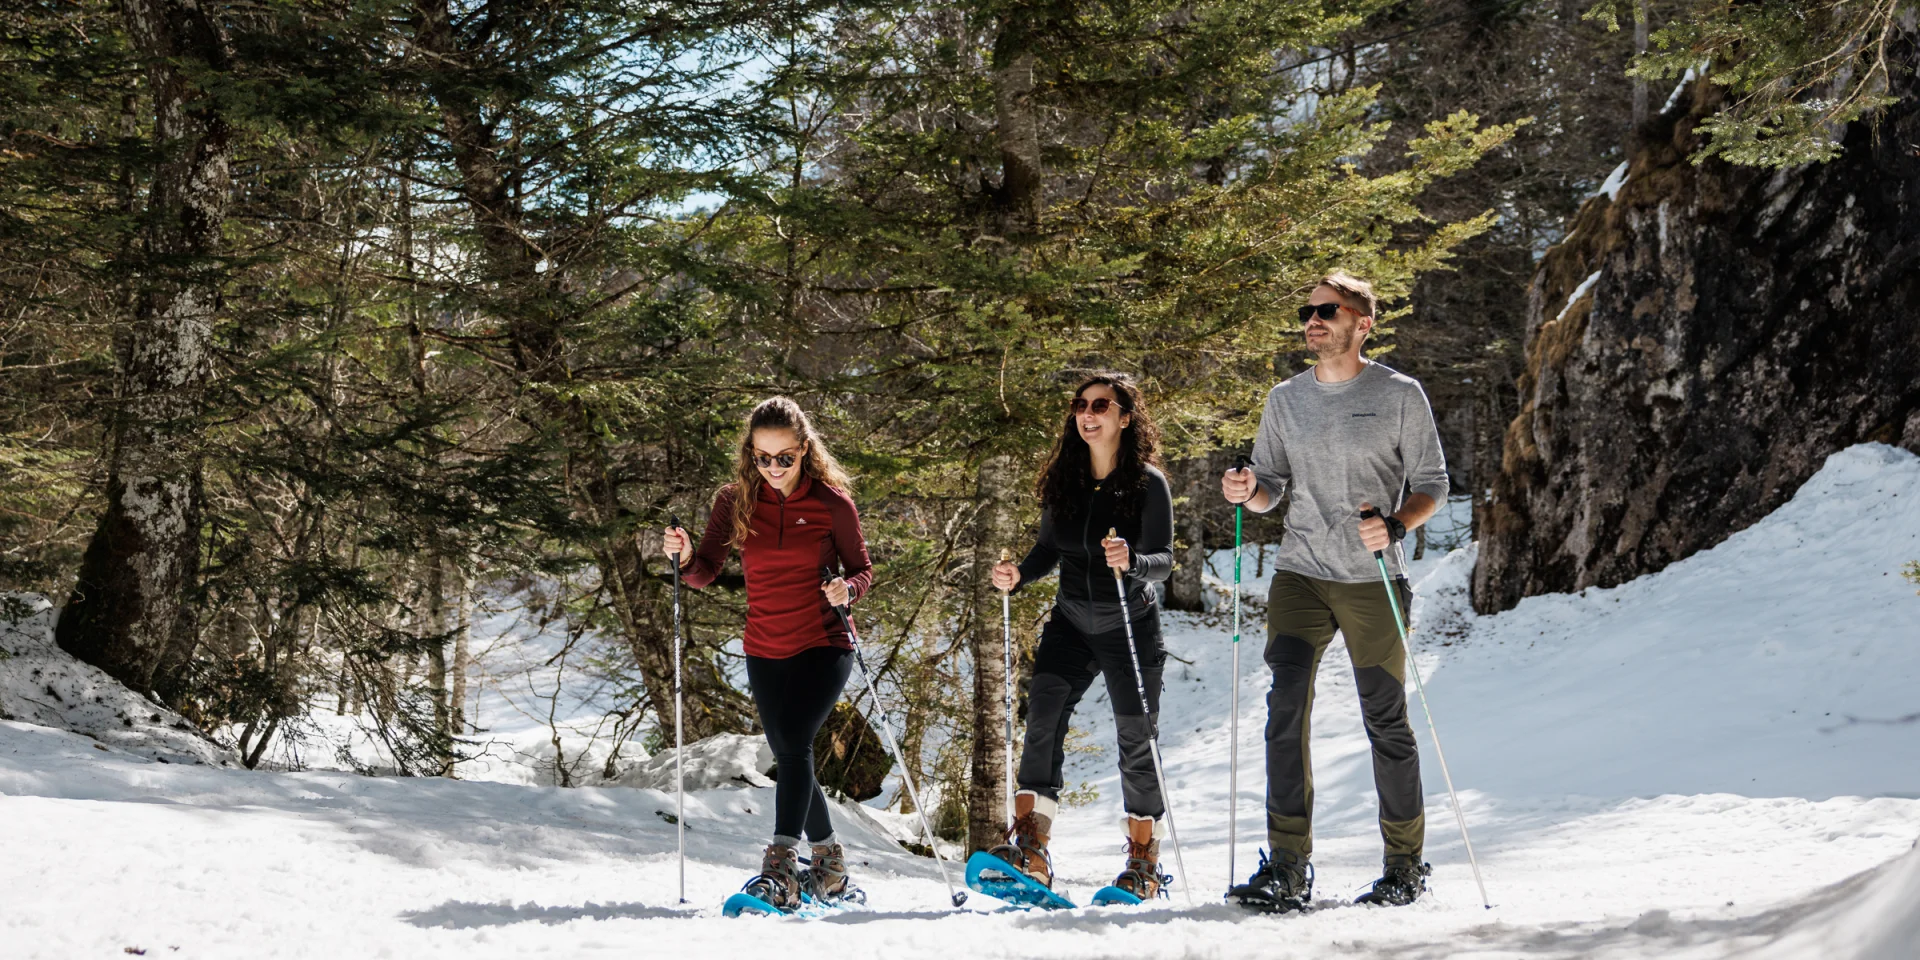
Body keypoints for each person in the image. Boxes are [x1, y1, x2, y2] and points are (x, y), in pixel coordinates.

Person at [1221, 271, 1449, 911]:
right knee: (1284, 710)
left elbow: (1434, 482)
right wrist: (1247, 492)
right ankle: (1288, 866)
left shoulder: (1399, 394)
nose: (1313, 320)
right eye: (1307, 310)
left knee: (1386, 721)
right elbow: (1270, 487)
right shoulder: (1284, 399)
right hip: (1300, 574)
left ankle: (1404, 865)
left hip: (1371, 580)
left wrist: (1398, 523)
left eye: (1328, 310)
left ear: (1362, 322)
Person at [663, 396, 873, 910]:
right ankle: (831, 866)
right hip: (764, 646)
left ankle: (780, 866)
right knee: (789, 756)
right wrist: (686, 555)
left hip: (825, 641)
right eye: (763, 458)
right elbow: (705, 571)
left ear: (804, 450)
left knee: (797, 746)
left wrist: (850, 588)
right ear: (750, 454)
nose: (774, 468)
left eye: (785, 458)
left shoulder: (831, 503)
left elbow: (863, 569)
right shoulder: (733, 501)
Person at [987, 373, 1177, 899]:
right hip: (1070, 620)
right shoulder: (1066, 478)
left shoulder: (1148, 483)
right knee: (1042, 720)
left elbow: (1164, 561)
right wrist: (1019, 575)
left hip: (1128, 624)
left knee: (1136, 739)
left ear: (1124, 417)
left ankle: (1143, 860)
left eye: (1100, 405)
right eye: (1079, 405)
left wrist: (1133, 560)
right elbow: (1049, 548)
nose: (1087, 414)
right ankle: (1031, 847)